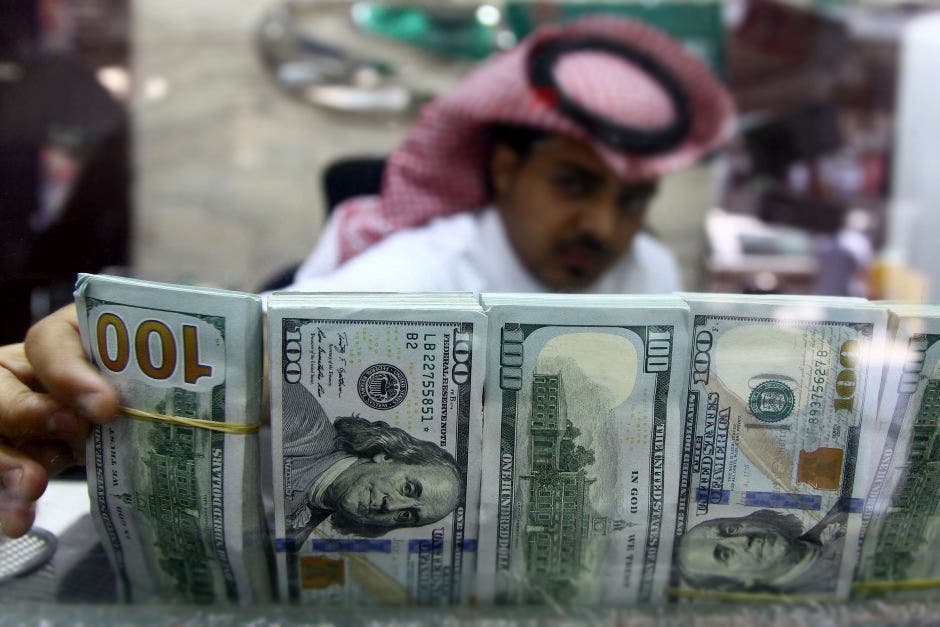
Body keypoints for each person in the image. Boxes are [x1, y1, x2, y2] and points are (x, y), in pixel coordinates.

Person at [0, 15, 734, 538]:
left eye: (631, 200)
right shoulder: (409, 272)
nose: (604, 227)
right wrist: (111, 358)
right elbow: (234, 369)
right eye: (575, 184)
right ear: (507, 168)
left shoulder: (650, 268)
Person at [281, 382, 460, 543]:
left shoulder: (295, 539)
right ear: (387, 457)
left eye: (406, 515)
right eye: (407, 489)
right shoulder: (300, 421)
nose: (391, 506)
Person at [675, 506, 849, 594]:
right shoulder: (824, 601)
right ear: (739, 582)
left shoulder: (839, 512)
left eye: (730, 530)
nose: (744, 539)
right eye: (725, 554)